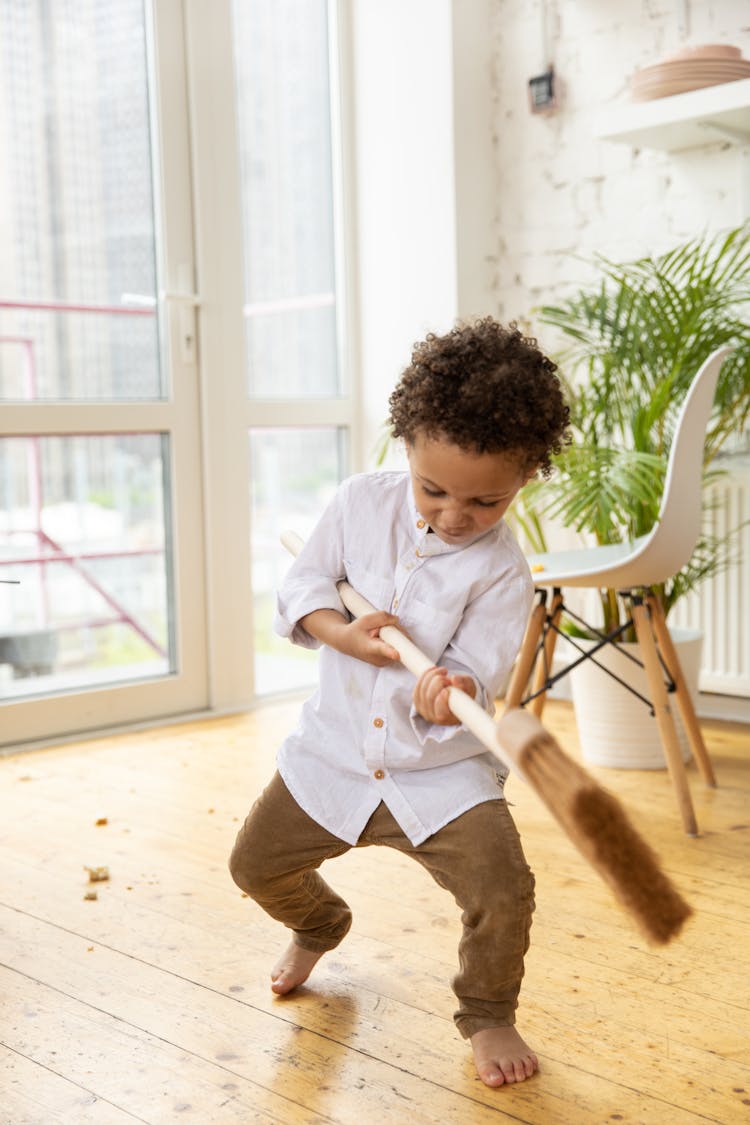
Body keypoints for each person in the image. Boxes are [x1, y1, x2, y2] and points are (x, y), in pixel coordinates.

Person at [229, 318, 570, 1088]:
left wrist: (448, 694)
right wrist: (342, 635)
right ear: (406, 446)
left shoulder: (504, 573)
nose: (454, 516)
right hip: (336, 755)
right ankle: (321, 923)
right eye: (433, 489)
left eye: (486, 501)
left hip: (439, 770)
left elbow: (477, 674)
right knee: (252, 864)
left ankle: (488, 1012)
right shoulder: (357, 504)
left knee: (504, 888)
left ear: (527, 478)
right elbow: (304, 587)